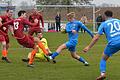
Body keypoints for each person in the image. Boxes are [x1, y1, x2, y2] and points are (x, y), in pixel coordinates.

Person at [83, 10, 120, 80]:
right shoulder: (118, 21)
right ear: (112, 15)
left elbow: (96, 38)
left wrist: (88, 47)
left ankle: (103, 74)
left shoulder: (104, 24)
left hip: (113, 43)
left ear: (105, 15)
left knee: (103, 59)